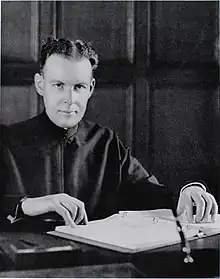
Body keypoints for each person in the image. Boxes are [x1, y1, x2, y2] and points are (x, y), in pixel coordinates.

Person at [0, 37, 218, 230]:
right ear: (40, 85)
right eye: (58, 85)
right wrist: (26, 204)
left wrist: (187, 192)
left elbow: (148, 192)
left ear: (91, 88)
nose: (70, 99)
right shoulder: (7, 141)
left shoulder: (106, 143)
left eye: (78, 87)